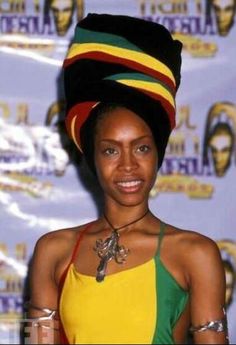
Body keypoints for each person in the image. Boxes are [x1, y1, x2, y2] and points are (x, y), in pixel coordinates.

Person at [27, 13, 228, 344]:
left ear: (158, 152)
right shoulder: (52, 251)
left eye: (142, 148)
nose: (128, 165)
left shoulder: (194, 253)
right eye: (110, 151)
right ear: (91, 156)